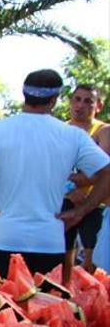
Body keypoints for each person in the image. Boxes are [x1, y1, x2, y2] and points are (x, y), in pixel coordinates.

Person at [0, 69, 110, 278]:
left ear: (24, 94)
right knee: (45, 308)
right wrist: (81, 211)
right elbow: (107, 173)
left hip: (3, 237)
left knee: (2, 307)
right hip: (49, 239)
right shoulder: (73, 135)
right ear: (55, 99)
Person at [62, 85, 110, 279]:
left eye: (88, 101)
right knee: (62, 265)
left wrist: (66, 180)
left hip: (94, 205)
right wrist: (70, 188)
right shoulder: (60, 130)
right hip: (64, 202)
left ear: (98, 106)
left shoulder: (104, 131)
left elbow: (102, 172)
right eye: (77, 99)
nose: (80, 105)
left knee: (93, 269)